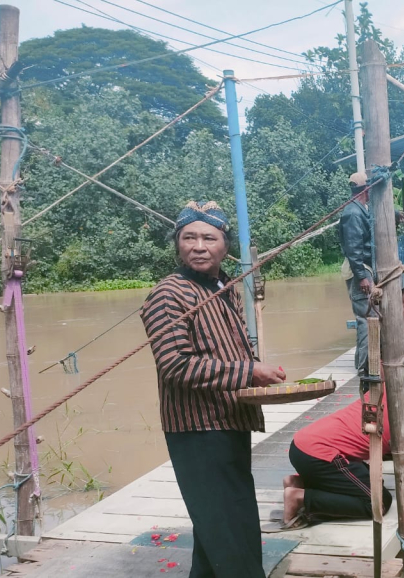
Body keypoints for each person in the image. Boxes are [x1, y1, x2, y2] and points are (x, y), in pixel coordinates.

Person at [141, 200, 286, 578]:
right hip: (197, 430)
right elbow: (174, 365)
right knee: (232, 538)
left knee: (220, 534)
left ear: (225, 246)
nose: (199, 246)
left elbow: (229, 349)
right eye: (189, 238)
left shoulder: (225, 288)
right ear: (177, 245)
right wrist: (248, 371)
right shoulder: (167, 294)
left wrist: (252, 374)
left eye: (209, 237)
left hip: (230, 423)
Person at [278, 393, 404, 528]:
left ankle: (299, 483)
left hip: (300, 446)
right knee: (379, 502)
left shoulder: (383, 391)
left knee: (371, 482)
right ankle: (298, 497)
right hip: (319, 456)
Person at [339, 172, 373, 377]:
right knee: (366, 319)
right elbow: (353, 248)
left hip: (362, 268)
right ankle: (364, 367)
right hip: (359, 270)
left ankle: (365, 362)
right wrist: (362, 276)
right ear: (365, 190)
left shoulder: (359, 209)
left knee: (367, 318)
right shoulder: (353, 213)